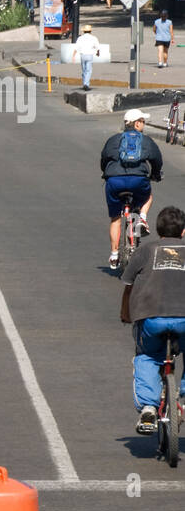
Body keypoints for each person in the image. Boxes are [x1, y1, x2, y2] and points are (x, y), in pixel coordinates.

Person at [121, 205, 185, 433]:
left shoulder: (146, 250)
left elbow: (128, 284)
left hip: (151, 317)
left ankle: (148, 408)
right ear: (183, 231)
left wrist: (125, 312)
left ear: (158, 231)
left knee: (147, 356)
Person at [103, 109, 163, 269]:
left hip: (114, 181)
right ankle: (142, 218)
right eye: (143, 121)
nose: (144, 124)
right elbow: (157, 160)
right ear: (137, 123)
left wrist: (106, 174)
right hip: (138, 181)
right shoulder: (146, 140)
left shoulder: (114, 139)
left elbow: (104, 159)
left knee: (115, 218)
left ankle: (114, 255)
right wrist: (156, 174)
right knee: (147, 195)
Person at [75, 23, 101, 90]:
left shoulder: (80, 38)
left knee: (84, 70)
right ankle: (86, 84)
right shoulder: (93, 38)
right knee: (88, 70)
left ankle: (84, 83)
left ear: (84, 31)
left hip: (83, 55)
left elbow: (77, 47)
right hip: (90, 55)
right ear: (90, 31)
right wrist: (98, 53)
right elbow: (97, 47)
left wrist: (73, 55)